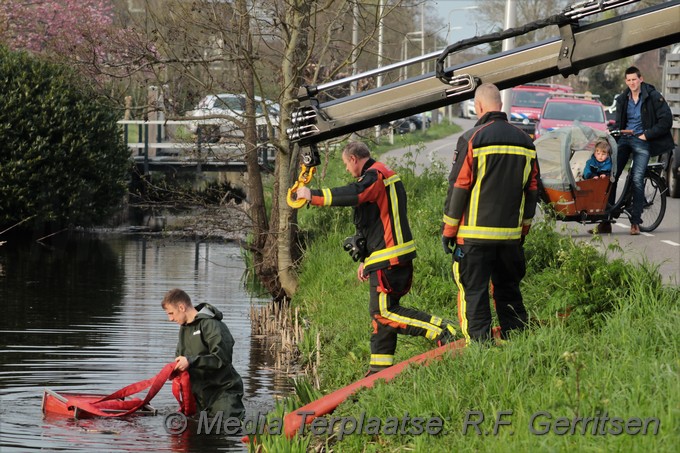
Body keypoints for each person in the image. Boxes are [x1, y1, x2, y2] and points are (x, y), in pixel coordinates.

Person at [296, 141, 457, 376]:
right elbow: (375, 220)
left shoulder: (375, 176)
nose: (348, 170)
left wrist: (313, 195)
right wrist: (365, 259)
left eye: (346, 164)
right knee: (383, 315)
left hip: (389, 259)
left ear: (353, 159)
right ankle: (379, 370)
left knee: (383, 313)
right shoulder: (383, 175)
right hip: (387, 256)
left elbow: (355, 194)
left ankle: (442, 331)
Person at [441, 83, 540, 345]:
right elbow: (532, 191)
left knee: (474, 293)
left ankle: (481, 348)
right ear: (501, 105)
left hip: (473, 238)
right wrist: (523, 230)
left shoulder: (472, 138)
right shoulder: (526, 142)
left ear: (480, 106)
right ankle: (516, 341)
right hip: (509, 239)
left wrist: (448, 231)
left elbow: (459, 186)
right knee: (509, 291)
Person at [591, 66, 674, 235]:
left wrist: (647, 135)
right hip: (624, 140)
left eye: (634, 79)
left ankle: (635, 221)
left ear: (640, 79)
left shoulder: (653, 97)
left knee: (637, 178)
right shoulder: (623, 99)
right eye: (628, 80)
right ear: (625, 81)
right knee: (610, 176)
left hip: (642, 141)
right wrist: (611, 131)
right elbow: (619, 122)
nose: (631, 83)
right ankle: (606, 222)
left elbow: (666, 121)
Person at [162, 288, 245, 418]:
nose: (170, 319)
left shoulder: (212, 325)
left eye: (171, 313)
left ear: (181, 307)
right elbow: (182, 358)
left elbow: (222, 359)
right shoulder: (184, 329)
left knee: (224, 432)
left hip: (222, 394)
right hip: (199, 397)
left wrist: (190, 361)